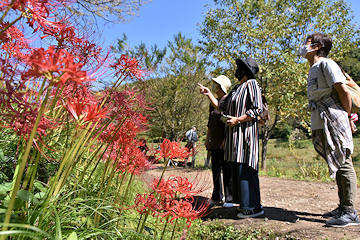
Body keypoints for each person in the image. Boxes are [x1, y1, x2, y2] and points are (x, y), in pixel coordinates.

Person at [299, 32, 359, 227]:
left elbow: (343, 93)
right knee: (336, 160)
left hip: (334, 117)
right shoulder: (313, 68)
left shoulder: (327, 64)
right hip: (321, 119)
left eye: (307, 43)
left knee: (343, 160)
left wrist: (348, 117)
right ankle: (343, 207)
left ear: (316, 47)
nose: (303, 46)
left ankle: (350, 212)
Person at [198, 58, 264, 218]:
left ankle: (253, 208)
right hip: (235, 139)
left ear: (245, 70)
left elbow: (257, 109)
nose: (236, 70)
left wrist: (238, 120)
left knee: (246, 169)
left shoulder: (252, 85)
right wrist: (208, 94)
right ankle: (244, 205)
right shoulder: (237, 89)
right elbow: (221, 106)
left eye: (239, 68)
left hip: (245, 137)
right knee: (237, 170)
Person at [205, 75, 234, 208]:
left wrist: (225, 140)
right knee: (215, 170)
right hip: (214, 141)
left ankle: (229, 198)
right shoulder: (213, 102)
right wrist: (207, 138)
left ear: (220, 86)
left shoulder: (228, 101)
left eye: (215, 83)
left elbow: (229, 121)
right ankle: (216, 196)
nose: (213, 85)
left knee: (226, 170)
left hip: (224, 142)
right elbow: (209, 123)